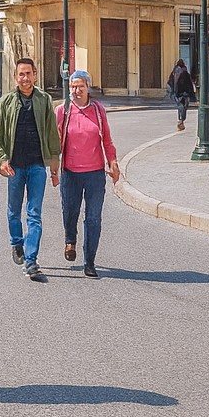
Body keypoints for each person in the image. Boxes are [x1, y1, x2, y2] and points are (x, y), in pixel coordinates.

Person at [0, 58, 60, 281]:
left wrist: (55, 163)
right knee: (13, 211)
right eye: (21, 74)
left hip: (37, 166)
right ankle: (16, 243)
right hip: (15, 167)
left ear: (35, 75)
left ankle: (31, 261)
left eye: (29, 74)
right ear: (15, 77)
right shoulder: (5, 102)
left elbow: (51, 132)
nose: (25, 78)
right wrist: (1, 160)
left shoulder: (44, 100)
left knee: (34, 214)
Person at [56, 70, 120, 278]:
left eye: (80, 86)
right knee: (70, 212)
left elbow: (107, 141)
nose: (76, 90)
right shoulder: (62, 111)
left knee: (93, 218)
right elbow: (55, 142)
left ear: (87, 87)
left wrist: (113, 162)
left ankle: (89, 261)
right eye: (73, 86)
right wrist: (53, 168)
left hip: (94, 174)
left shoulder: (98, 111)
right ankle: (70, 241)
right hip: (70, 173)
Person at [169, 58, 196, 132]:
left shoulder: (174, 72)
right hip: (185, 93)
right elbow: (189, 84)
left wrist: (173, 91)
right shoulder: (184, 72)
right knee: (184, 106)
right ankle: (181, 120)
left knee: (180, 106)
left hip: (177, 93)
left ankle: (180, 120)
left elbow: (170, 82)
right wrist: (192, 95)